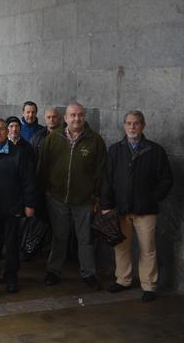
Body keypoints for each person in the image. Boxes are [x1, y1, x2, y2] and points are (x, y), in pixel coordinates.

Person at [100, 110, 173, 303]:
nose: (132, 127)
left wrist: (152, 198)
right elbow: (106, 179)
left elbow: (166, 180)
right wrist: (106, 205)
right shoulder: (115, 150)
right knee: (121, 247)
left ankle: (148, 285)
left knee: (147, 249)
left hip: (145, 210)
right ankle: (123, 280)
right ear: (124, 126)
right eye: (129, 123)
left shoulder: (155, 151)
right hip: (120, 209)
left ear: (143, 125)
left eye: (136, 123)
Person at [38, 102, 106, 290]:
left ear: (84, 117)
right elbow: (43, 165)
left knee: (85, 238)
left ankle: (88, 273)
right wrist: (45, 188)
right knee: (59, 236)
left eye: (80, 115)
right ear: (65, 118)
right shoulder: (53, 139)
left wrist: (96, 194)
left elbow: (101, 171)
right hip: (57, 198)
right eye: (73, 115)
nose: (77, 118)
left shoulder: (95, 141)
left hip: (84, 199)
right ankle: (53, 271)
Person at [0, 119, 37, 293]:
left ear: (7, 132)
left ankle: (11, 277)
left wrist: (29, 204)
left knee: (11, 245)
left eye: (1, 130)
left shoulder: (19, 154)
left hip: (12, 207)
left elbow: (29, 181)